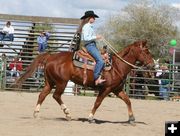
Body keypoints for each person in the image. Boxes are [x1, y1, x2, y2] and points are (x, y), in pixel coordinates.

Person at [78, 10, 106, 85]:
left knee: (103, 59)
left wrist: (96, 38)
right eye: (93, 17)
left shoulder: (89, 26)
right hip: (90, 45)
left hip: (92, 45)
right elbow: (86, 38)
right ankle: (96, 78)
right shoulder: (87, 26)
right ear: (89, 18)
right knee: (100, 61)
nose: (94, 19)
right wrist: (96, 37)